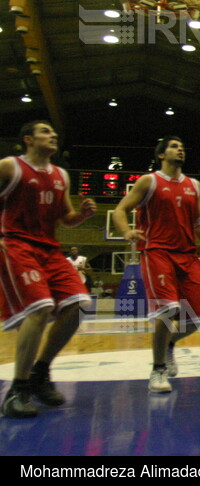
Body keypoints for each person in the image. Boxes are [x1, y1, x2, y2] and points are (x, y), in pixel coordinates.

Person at [0, 121, 97, 418]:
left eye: (54, 132)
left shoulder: (61, 175)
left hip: (49, 249)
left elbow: (64, 218)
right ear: (28, 139)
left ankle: (40, 372)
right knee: (40, 308)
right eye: (45, 132)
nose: (53, 134)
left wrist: (80, 216)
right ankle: (17, 390)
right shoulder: (9, 167)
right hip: (16, 245)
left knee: (80, 304)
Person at [113, 136, 200, 394]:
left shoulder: (194, 185)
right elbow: (119, 210)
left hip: (188, 255)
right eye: (174, 146)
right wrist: (127, 232)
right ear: (161, 155)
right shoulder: (149, 181)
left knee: (196, 319)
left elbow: (198, 219)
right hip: (157, 252)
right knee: (167, 310)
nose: (180, 149)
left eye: (182, 146)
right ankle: (158, 368)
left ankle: (169, 345)